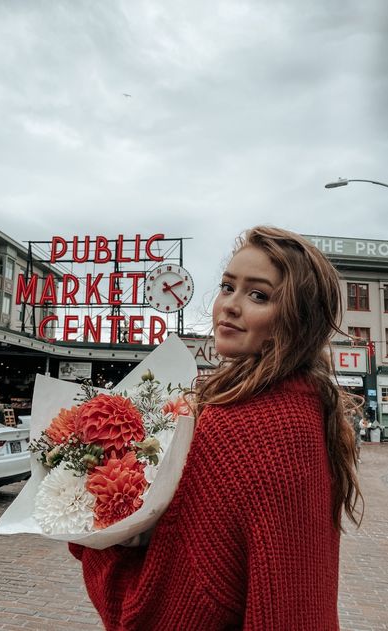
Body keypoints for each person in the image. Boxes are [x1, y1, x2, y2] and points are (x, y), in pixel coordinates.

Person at [69, 226, 363, 630]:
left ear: (299, 318)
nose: (230, 305)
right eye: (228, 287)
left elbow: (157, 611)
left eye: (258, 295)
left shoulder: (241, 425)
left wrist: (88, 526)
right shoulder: (308, 410)